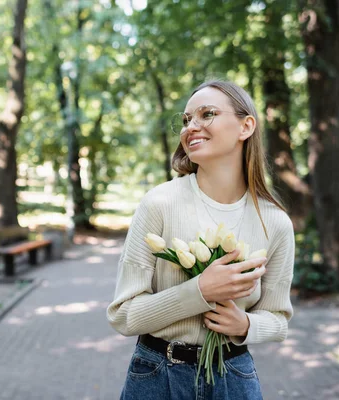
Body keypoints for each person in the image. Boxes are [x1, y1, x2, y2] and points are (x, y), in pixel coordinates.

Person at [106, 79, 295, 399]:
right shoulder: (159, 203)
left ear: (245, 126)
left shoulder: (275, 223)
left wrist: (246, 326)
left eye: (206, 114)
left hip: (233, 377)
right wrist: (200, 291)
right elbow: (123, 315)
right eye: (186, 120)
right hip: (156, 376)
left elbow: (278, 319)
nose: (191, 126)